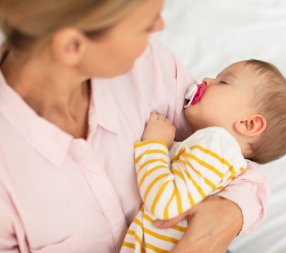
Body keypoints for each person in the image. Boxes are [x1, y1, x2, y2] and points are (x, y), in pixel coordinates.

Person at [0, 0, 270, 252]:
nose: (159, 27)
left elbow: (236, 149)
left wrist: (232, 212)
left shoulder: (152, 68)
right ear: (72, 46)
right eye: (145, 24)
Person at [121, 59, 286, 252]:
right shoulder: (217, 154)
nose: (206, 80)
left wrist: (154, 145)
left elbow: (165, 205)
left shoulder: (217, 142)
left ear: (249, 124)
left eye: (223, 82)